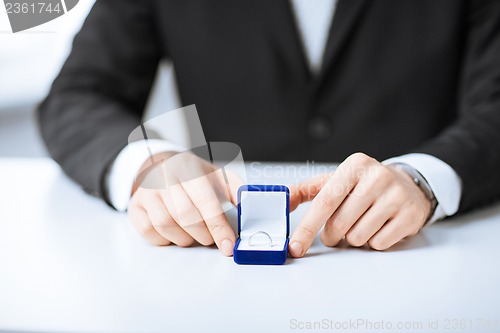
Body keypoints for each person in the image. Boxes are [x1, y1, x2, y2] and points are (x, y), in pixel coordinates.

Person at [38, 0, 500, 258]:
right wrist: (149, 164)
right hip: (216, 271)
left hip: (423, 257)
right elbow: (78, 95)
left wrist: (425, 178)